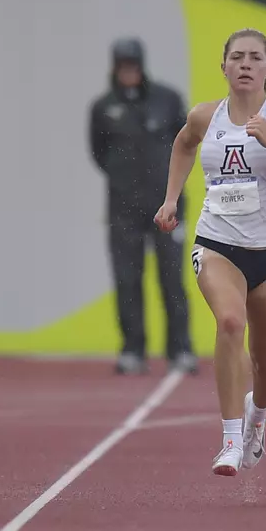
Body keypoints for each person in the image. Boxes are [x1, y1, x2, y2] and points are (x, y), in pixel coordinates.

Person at [155, 28, 266, 476]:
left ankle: (258, 417)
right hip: (217, 244)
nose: (246, 64)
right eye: (238, 57)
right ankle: (230, 439)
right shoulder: (204, 116)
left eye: (255, 57)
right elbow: (183, 145)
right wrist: (172, 198)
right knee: (230, 322)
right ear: (225, 67)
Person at [89, 37, 197, 376]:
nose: (129, 72)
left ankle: (180, 350)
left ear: (142, 66)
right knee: (127, 279)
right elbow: (98, 152)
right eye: (123, 66)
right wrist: (126, 180)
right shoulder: (103, 107)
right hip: (123, 208)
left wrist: (169, 191)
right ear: (115, 68)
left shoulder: (168, 100)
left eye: (134, 66)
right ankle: (133, 349)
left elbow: (186, 143)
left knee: (172, 278)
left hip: (167, 205)